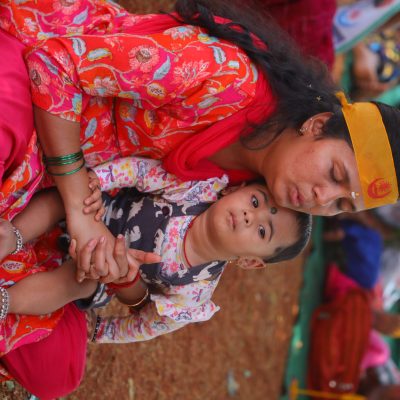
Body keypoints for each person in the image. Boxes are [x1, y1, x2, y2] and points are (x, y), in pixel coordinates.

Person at [0, 156, 311, 399]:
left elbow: (148, 324)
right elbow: (141, 171)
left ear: (250, 262)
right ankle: (11, 237)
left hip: (96, 266)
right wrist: (99, 180)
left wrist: (100, 329)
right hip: (92, 211)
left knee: (77, 283)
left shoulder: (196, 290)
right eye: (255, 202)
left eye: (261, 231)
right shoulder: (196, 190)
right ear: (236, 190)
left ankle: (6, 300)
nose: (249, 215)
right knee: (61, 201)